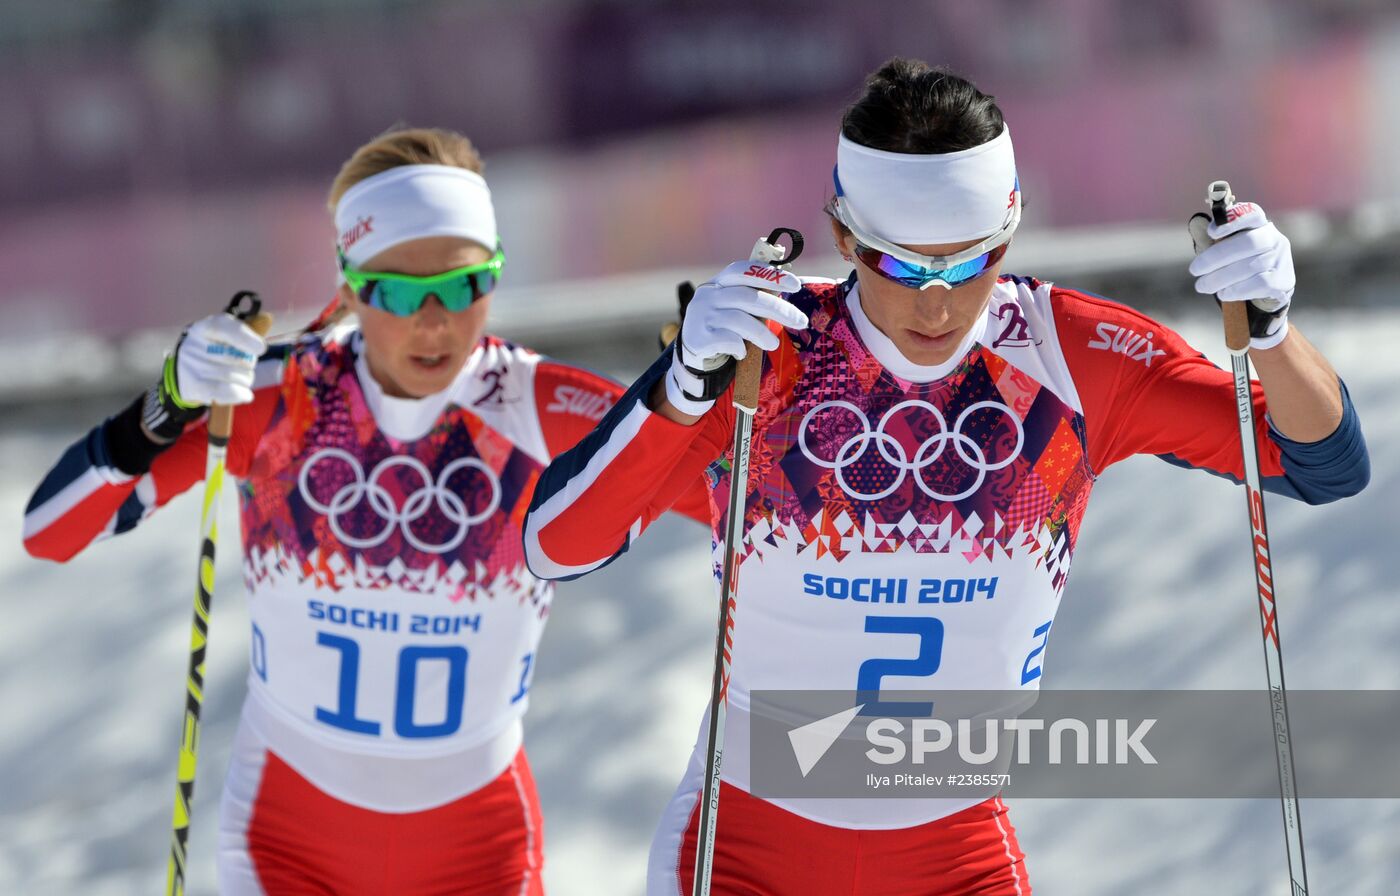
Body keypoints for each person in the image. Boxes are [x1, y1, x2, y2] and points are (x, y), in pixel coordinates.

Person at [521, 59, 1370, 895]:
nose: (937, 304)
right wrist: (676, 386)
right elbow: (555, 545)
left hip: (954, 855)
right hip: (748, 850)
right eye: (899, 264)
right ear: (844, 235)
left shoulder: (1073, 359)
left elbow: (1322, 465)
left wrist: (1273, 331)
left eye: (969, 264)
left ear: (1010, 228)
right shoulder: (764, 352)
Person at [23, 126, 706, 894]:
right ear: (348, 285)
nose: (434, 322)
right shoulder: (274, 400)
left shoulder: (540, 405)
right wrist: (160, 408)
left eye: (463, 286)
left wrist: (701, 406)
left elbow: (747, 508)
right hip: (288, 843)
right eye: (398, 294)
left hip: (476, 849)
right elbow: (47, 532)